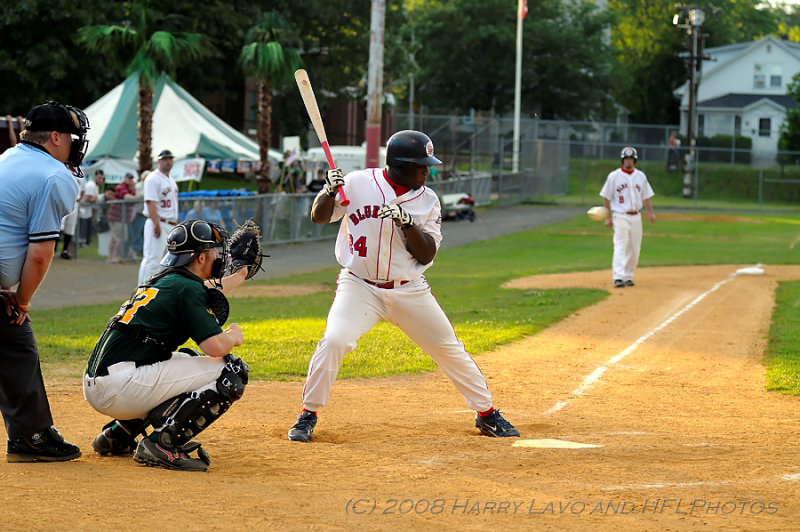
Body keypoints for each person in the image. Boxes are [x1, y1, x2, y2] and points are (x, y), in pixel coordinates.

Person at [287, 130, 520, 442]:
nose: (428, 170)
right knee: (335, 340)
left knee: (449, 349)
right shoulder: (357, 182)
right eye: (421, 165)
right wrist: (328, 192)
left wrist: (407, 222)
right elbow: (319, 217)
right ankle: (308, 414)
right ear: (399, 165)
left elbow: (426, 252)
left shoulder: (428, 201)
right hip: (360, 286)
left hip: (409, 289)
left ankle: (487, 414)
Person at [84, 220, 250, 471]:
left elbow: (206, 289)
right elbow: (216, 347)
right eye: (213, 251)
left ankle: (119, 433)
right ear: (200, 259)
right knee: (232, 371)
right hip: (122, 387)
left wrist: (240, 276)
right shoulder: (188, 289)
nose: (218, 256)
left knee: (188, 357)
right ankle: (161, 443)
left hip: (102, 382)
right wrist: (234, 335)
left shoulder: (165, 280)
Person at [0, 100, 90, 462]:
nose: (76, 143)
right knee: (15, 334)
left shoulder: (7, 158)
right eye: (71, 136)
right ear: (55, 137)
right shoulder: (54, 175)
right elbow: (40, 254)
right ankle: (31, 436)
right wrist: (21, 301)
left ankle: (31, 433)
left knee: (16, 344)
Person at [599, 146, 657, 288]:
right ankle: (618, 277)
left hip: (636, 215)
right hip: (620, 215)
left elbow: (645, 197)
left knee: (635, 248)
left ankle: (628, 276)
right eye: (626, 158)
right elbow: (606, 197)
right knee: (620, 245)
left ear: (635, 161)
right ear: (622, 160)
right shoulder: (614, 176)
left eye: (631, 159)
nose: (628, 161)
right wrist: (607, 216)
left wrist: (650, 212)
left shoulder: (641, 176)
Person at [138, 150, 179, 285]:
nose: (168, 161)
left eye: (170, 158)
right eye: (165, 159)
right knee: (152, 259)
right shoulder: (153, 178)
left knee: (166, 261)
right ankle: (142, 290)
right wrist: (156, 224)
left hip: (171, 224)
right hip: (158, 222)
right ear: (159, 161)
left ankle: (156, 290)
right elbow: (150, 202)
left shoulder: (170, 179)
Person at [106, 172, 137, 263]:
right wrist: (137, 197)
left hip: (123, 218)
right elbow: (127, 197)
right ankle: (113, 257)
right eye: (128, 178)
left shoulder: (129, 188)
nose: (130, 180)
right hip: (117, 217)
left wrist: (134, 188)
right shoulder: (121, 187)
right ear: (124, 178)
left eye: (131, 178)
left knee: (118, 237)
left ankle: (113, 257)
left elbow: (133, 198)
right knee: (118, 237)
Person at [79, 169, 103, 247]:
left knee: (87, 229)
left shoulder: (95, 186)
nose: (101, 180)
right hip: (83, 211)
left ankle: (85, 243)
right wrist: (95, 198)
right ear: (95, 177)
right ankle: (81, 243)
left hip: (88, 211)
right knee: (82, 228)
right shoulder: (91, 185)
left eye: (102, 178)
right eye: (99, 178)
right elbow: (87, 198)